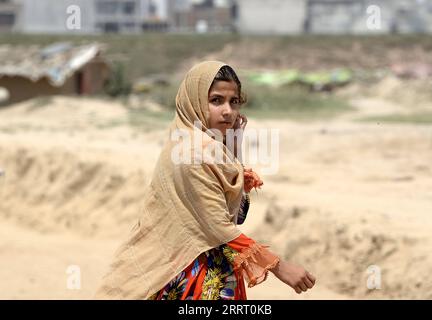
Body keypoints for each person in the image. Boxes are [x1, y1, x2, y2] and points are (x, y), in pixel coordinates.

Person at [94, 61, 316, 300]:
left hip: (213, 274)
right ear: (195, 101)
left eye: (234, 101)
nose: (228, 111)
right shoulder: (192, 151)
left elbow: (236, 215)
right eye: (216, 100)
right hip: (191, 278)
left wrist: (232, 152)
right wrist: (278, 267)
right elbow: (218, 226)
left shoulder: (203, 148)